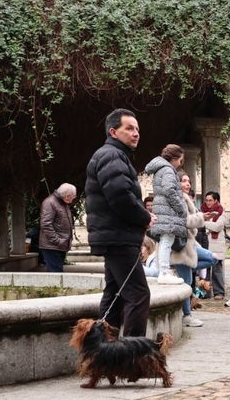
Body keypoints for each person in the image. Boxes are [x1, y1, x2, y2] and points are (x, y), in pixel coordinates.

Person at [85, 108, 154, 337]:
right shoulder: (112, 156)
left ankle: (105, 350)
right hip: (118, 237)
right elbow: (120, 197)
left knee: (115, 294)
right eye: (129, 128)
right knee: (138, 295)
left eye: (137, 129)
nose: (136, 133)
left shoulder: (113, 155)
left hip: (114, 236)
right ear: (113, 132)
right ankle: (132, 352)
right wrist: (145, 217)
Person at [171, 172, 215, 328]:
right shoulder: (178, 198)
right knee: (187, 283)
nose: (187, 184)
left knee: (212, 258)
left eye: (188, 181)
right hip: (181, 246)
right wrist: (203, 217)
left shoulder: (186, 198)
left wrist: (202, 216)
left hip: (190, 243)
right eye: (184, 181)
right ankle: (187, 315)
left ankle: (182, 270)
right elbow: (186, 221)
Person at [143, 144, 189, 286]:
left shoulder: (161, 169)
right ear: (174, 158)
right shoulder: (168, 170)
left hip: (164, 210)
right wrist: (181, 208)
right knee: (167, 241)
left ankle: (164, 271)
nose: (180, 164)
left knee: (165, 241)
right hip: (168, 212)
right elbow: (169, 190)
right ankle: (164, 272)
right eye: (180, 160)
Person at [38, 183, 76, 273]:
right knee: (56, 273)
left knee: (56, 274)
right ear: (67, 196)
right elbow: (46, 225)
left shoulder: (62, 203)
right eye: (73, 196)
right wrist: (57, 241)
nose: (74, 198)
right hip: (52, 246)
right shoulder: (50, 202)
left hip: (58, 245)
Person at [201, 191, 229, 298]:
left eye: (210, 200)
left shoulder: (221, 212)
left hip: (216, 244)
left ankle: (219, 292)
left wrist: (203, 223)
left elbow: (218, 226)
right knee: (204, 269)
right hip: (204, 242)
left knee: (217, 269)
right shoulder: (202, 210)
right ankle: (204, 292)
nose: (208, 202)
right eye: (206, 200)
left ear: (216, 200)